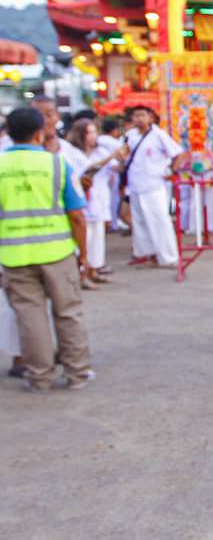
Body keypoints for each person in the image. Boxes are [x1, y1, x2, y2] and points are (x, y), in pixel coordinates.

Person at [0, 107, 93, 391]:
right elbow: (77, 215)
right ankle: (77, 373)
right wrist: (84, 255)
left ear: (8, 134)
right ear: (40, 132)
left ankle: (40, 376)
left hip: (14, 255)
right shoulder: (57, 165)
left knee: (30, 317)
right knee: (68, 313)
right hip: (58, 253)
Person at [121, 106, 184, 267]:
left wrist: (171, 171)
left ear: (150, 117)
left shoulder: (159, 135)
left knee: (160, 221)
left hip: (154, 185)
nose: (139, 119)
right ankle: (145, 254)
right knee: (139, 221)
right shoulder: (129, 136)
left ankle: (169, 257)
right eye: (136, 115)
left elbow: (178, 154)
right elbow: (123, 156)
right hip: (135, 184)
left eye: (142, 115)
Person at [65, 118, 125, 288]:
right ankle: (82, 274)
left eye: (94, 132)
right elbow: (88, 171)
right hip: (82, 200)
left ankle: (93, 270)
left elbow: (115, 167)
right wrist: (111, 156)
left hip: (100, 199)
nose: (94, 136)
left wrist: (120, 157)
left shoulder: (100, 151)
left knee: (98, 238)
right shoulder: (73, 153)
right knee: (84, 239)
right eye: (90, 132)